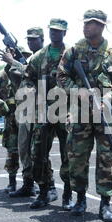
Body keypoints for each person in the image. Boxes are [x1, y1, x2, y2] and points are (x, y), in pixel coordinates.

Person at [57, 10, 112, 222]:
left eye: (91, 24)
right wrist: (77, 91)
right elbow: (61, 76)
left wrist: (107, 98)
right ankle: (80, 199)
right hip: (80, 112)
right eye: (85, 23)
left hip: (106, 114)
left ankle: (106, 204)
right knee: (77, 157)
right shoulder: (74, 51)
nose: (86, 26)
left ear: (102, 26)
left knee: (107, 158)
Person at [23, 19, 73, 210]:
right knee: (38, 153)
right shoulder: (39, 56)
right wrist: (30, 92)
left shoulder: (71, 54)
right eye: (52, 31)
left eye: (59, 31)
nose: (55, 34)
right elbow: (28, 77)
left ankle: (67, 194)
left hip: (65, 110)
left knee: (68, 154)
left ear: (64, 33)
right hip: (43, 111)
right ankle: (44, 191)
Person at [2, 27, 44, 198]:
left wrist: (13, 61)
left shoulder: (45, 56)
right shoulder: (28, 59)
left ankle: (45, 187)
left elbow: (32, 73)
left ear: (42, 39)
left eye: (34, 39)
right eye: (28, 39)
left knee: (39, 151)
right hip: (24, 109)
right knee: (23, 148)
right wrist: (10, 61)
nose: (31, 42)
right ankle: (28, 183)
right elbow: (15, 77)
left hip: (39, 108)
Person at [0, 46, 32, 193]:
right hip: (11, 117)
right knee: (12, 150)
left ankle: (30, 181)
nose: (23, 57)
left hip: (26, 114)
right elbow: (1, 97)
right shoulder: (3, 75)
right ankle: (12, 182)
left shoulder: (25, 71)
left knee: (28, 149)